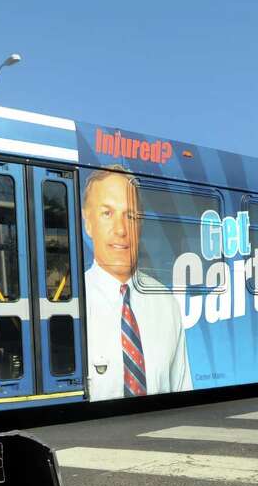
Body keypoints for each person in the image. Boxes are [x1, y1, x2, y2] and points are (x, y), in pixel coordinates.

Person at [81, 166, 191, 400]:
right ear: (88, 222)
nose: (121, 230)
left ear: (140, 225)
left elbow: (183, 391)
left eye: (130, 216)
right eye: (107, 213)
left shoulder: (165, 303)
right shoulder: (75, 304)